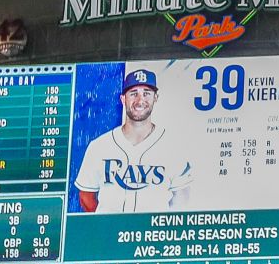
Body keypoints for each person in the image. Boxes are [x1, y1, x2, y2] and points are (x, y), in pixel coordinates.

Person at [74, 67, 193, 213]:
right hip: (109, 233)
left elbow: (181, 199)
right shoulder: (99, 146)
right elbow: (86, 197)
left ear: (155, 97)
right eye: (133, 93)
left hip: (151, 233)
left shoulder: (173, 147)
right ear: (123, 99)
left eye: (146, 93)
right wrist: (105, 224)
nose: (140, 100)